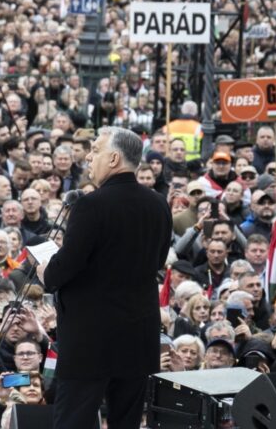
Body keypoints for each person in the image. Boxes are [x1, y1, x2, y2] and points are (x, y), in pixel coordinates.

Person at [42, 127, 171, 429]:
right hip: (139, 337)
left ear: (113, 158)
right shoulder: (158, 204)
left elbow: (60, 271)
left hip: (91, 341)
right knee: (126, 422)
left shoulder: (91, 204)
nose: (88, 156)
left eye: (96, 150)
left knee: (73, 420)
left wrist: (45, 268)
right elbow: (157, 261)